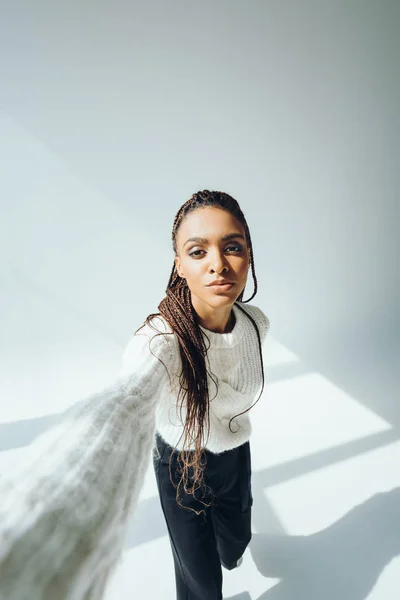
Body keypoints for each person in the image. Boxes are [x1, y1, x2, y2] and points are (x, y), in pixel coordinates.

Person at [0, 190, 270, 600]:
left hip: (234, 449)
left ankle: (231, 548)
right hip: (182, 463)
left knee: (234, 545)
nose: (218, 264)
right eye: (198, 252)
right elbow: (127, 397)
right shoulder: (161, 338)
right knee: (200, 581)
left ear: (248, 255)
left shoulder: (256, 323)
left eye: (232, 247)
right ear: (179, 265)